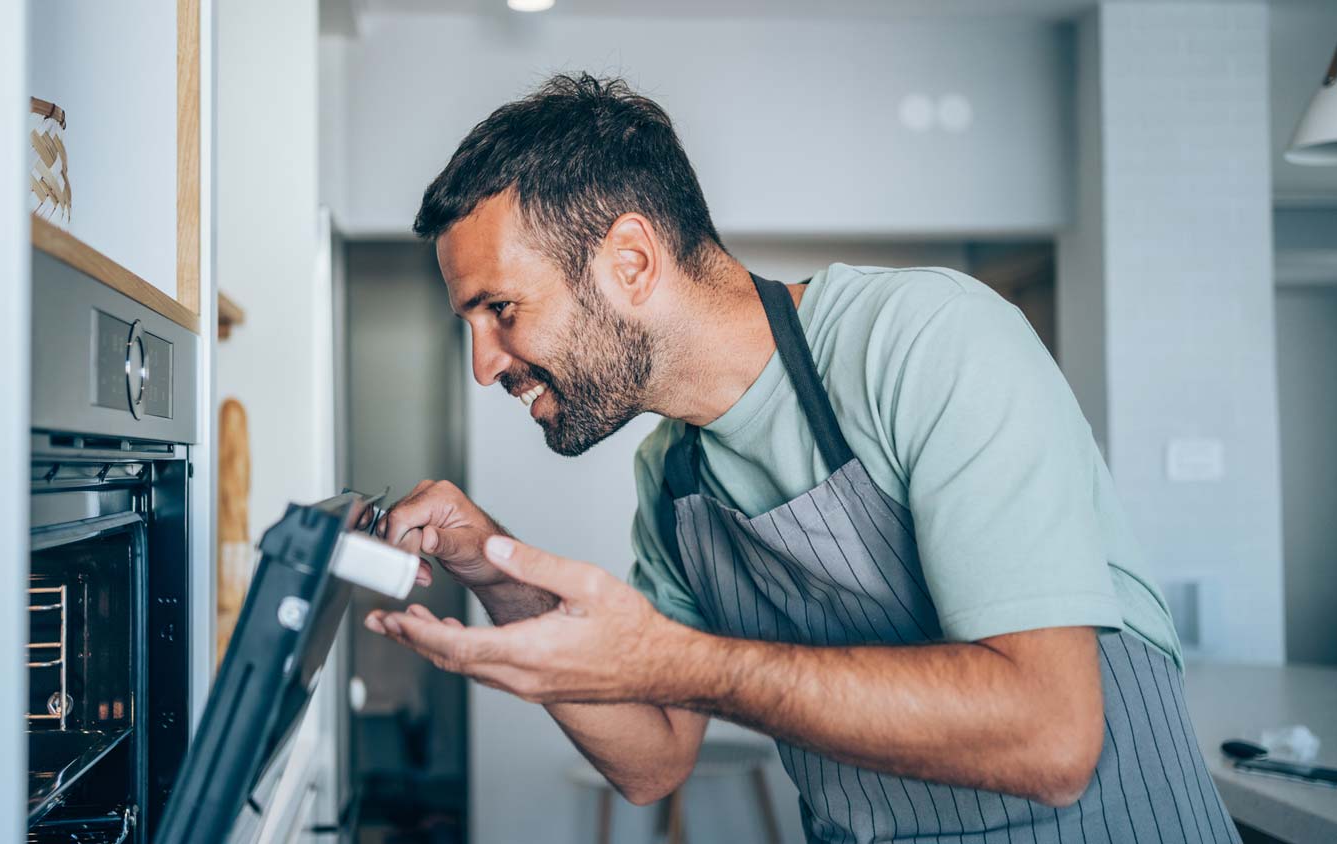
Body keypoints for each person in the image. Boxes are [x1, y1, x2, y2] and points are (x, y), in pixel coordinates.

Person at [363, 73, 1235, 844]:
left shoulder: (926, 344)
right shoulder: (673, 477)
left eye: (501, 309)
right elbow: (653, 761)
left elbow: (1051, 737)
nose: (484, 366)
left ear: (630, 261)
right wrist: (493, 571)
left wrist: (676, 659)